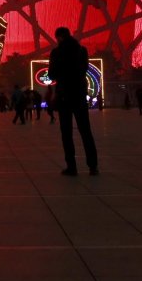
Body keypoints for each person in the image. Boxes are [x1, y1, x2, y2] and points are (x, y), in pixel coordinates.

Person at [49, 27, 98, 176]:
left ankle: (72, 167)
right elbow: (84, 69)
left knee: (66, 133)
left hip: (64, 95)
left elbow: (51, 75)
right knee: (85, 131)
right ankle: (93, 166)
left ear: (58, 37)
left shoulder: (56, 52)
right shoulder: (82, 50)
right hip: (79, 94)